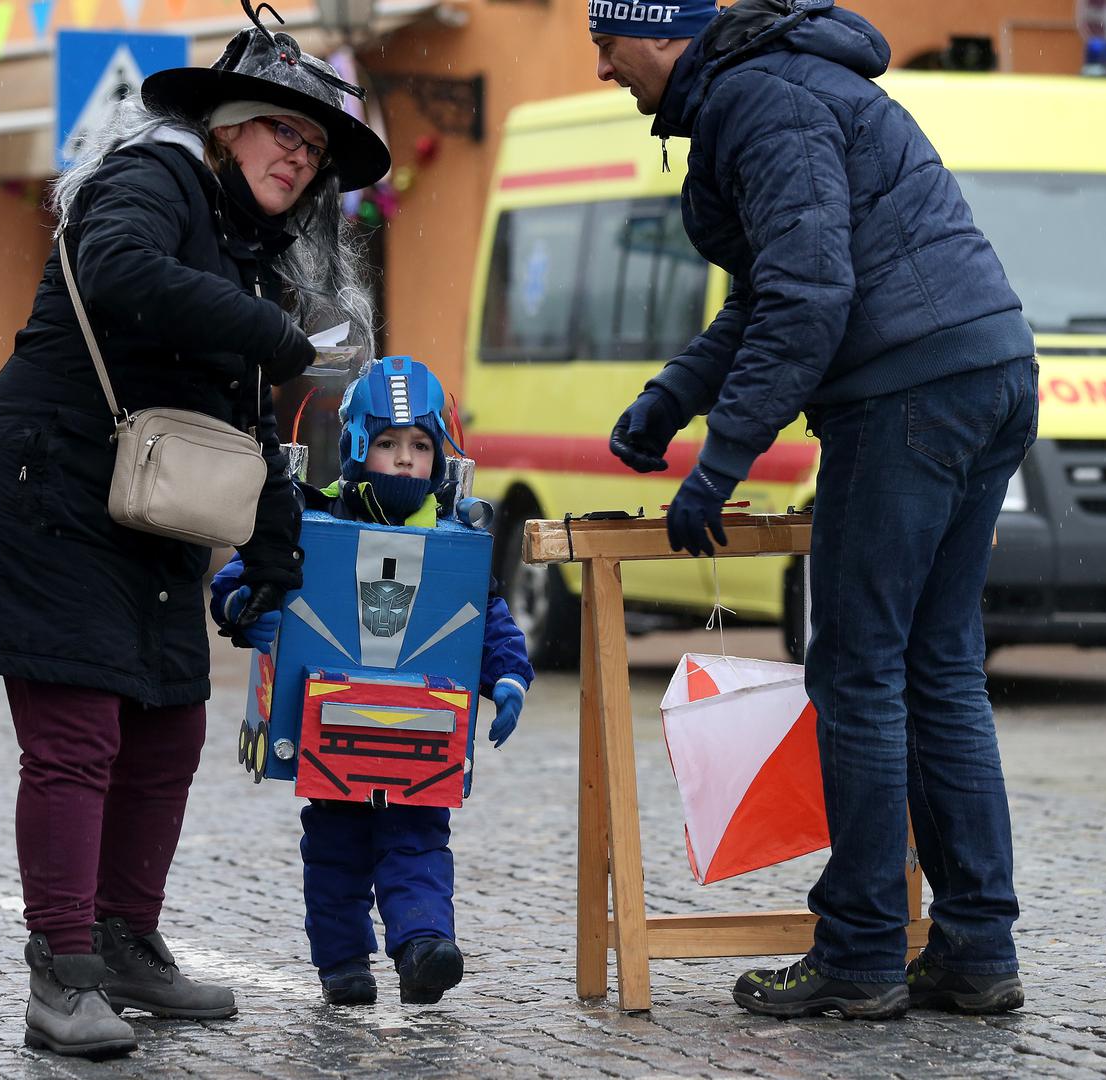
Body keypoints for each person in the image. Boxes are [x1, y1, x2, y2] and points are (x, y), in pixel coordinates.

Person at [0, 9, 390, 1059]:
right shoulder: (156, 175)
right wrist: (271, 331)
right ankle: (62, 973)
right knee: (77, 739)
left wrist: (274, 542)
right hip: (49, 490)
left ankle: (126, 941)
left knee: (170, 727)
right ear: (225, 127)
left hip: (149, 505)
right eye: (281, 130)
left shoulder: (249, 245)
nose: (297, 156)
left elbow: (246, 417)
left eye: (313, 148)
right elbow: (119, 271)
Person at [589, 0, 1035, 1019]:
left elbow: (807, 296)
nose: (605, 69)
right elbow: (772, 288)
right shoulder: (782, 83)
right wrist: (674, 396)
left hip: (905, 391)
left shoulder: (756, 98)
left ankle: (862, 953)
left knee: (860, 672)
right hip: (986, 367)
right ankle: (975, 949)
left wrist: (721, 461)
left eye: (606, 45)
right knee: (939, 670)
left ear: (658, 34)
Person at [210, 358, 535, 1007]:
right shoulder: (310, 519)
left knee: (419, 836)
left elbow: (489, 618)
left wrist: (509, 678)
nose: (406, 458)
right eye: (389, 442)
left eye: (421, 445)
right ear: (358, 445)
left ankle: (423, 947)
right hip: (328, 724)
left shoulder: (456, 538)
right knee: (335, 848)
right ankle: (342, 962)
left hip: (421, 728)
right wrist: (245, 605)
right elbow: (239, 579)